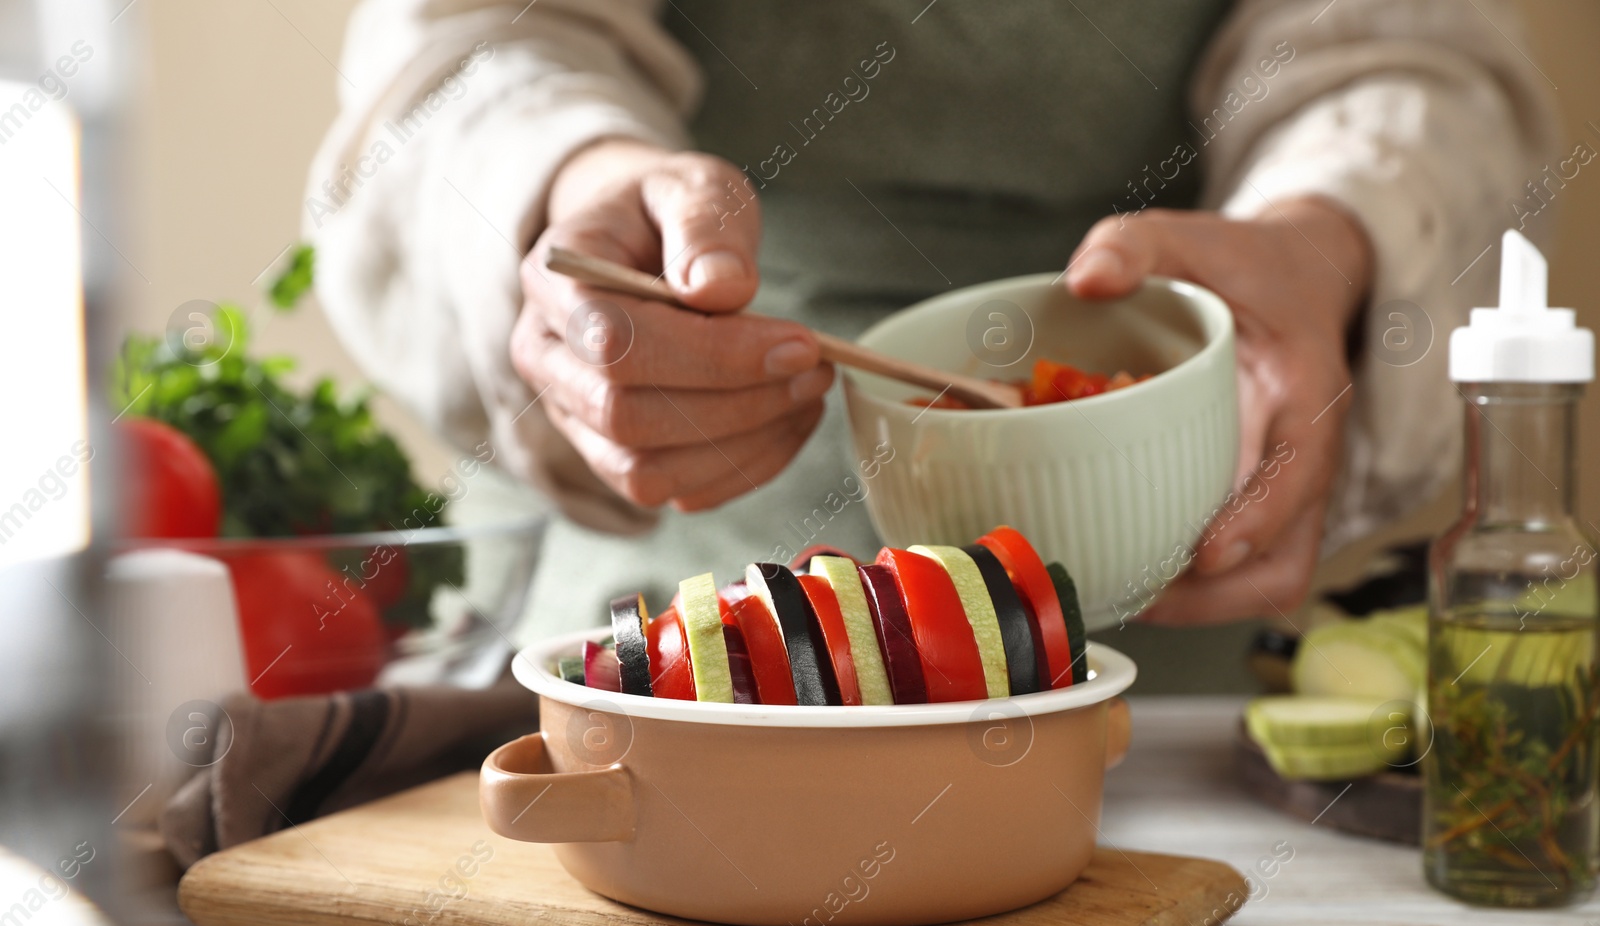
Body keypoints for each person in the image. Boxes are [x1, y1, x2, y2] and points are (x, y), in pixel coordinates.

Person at [307, 0, 1559, 638]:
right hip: (664, 605)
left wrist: (1323, 240)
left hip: (1154, 620)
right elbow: (463, 47)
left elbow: (1411, 42)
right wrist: (576, 196)